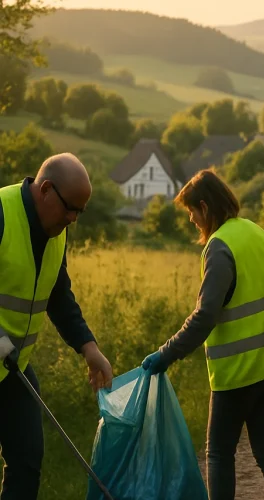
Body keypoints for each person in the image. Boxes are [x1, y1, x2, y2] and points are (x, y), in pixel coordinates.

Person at [141, 169, 264, 500]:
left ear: (205, 207)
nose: (191, 220)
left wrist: (166, 353)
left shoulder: (219, 246)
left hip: (238, 371)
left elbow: (204, 316)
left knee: (219, 453)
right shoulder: (258, 234)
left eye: (191, 212)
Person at [0, 153, 114, 499]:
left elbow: (59, 296)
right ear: (46, 189)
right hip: (6, 356)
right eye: (70, 209)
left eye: (80, 212)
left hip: (13, 367)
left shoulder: (56, 232)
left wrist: (89, 347)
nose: (73, 219)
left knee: (27, 460)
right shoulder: (2, 213)